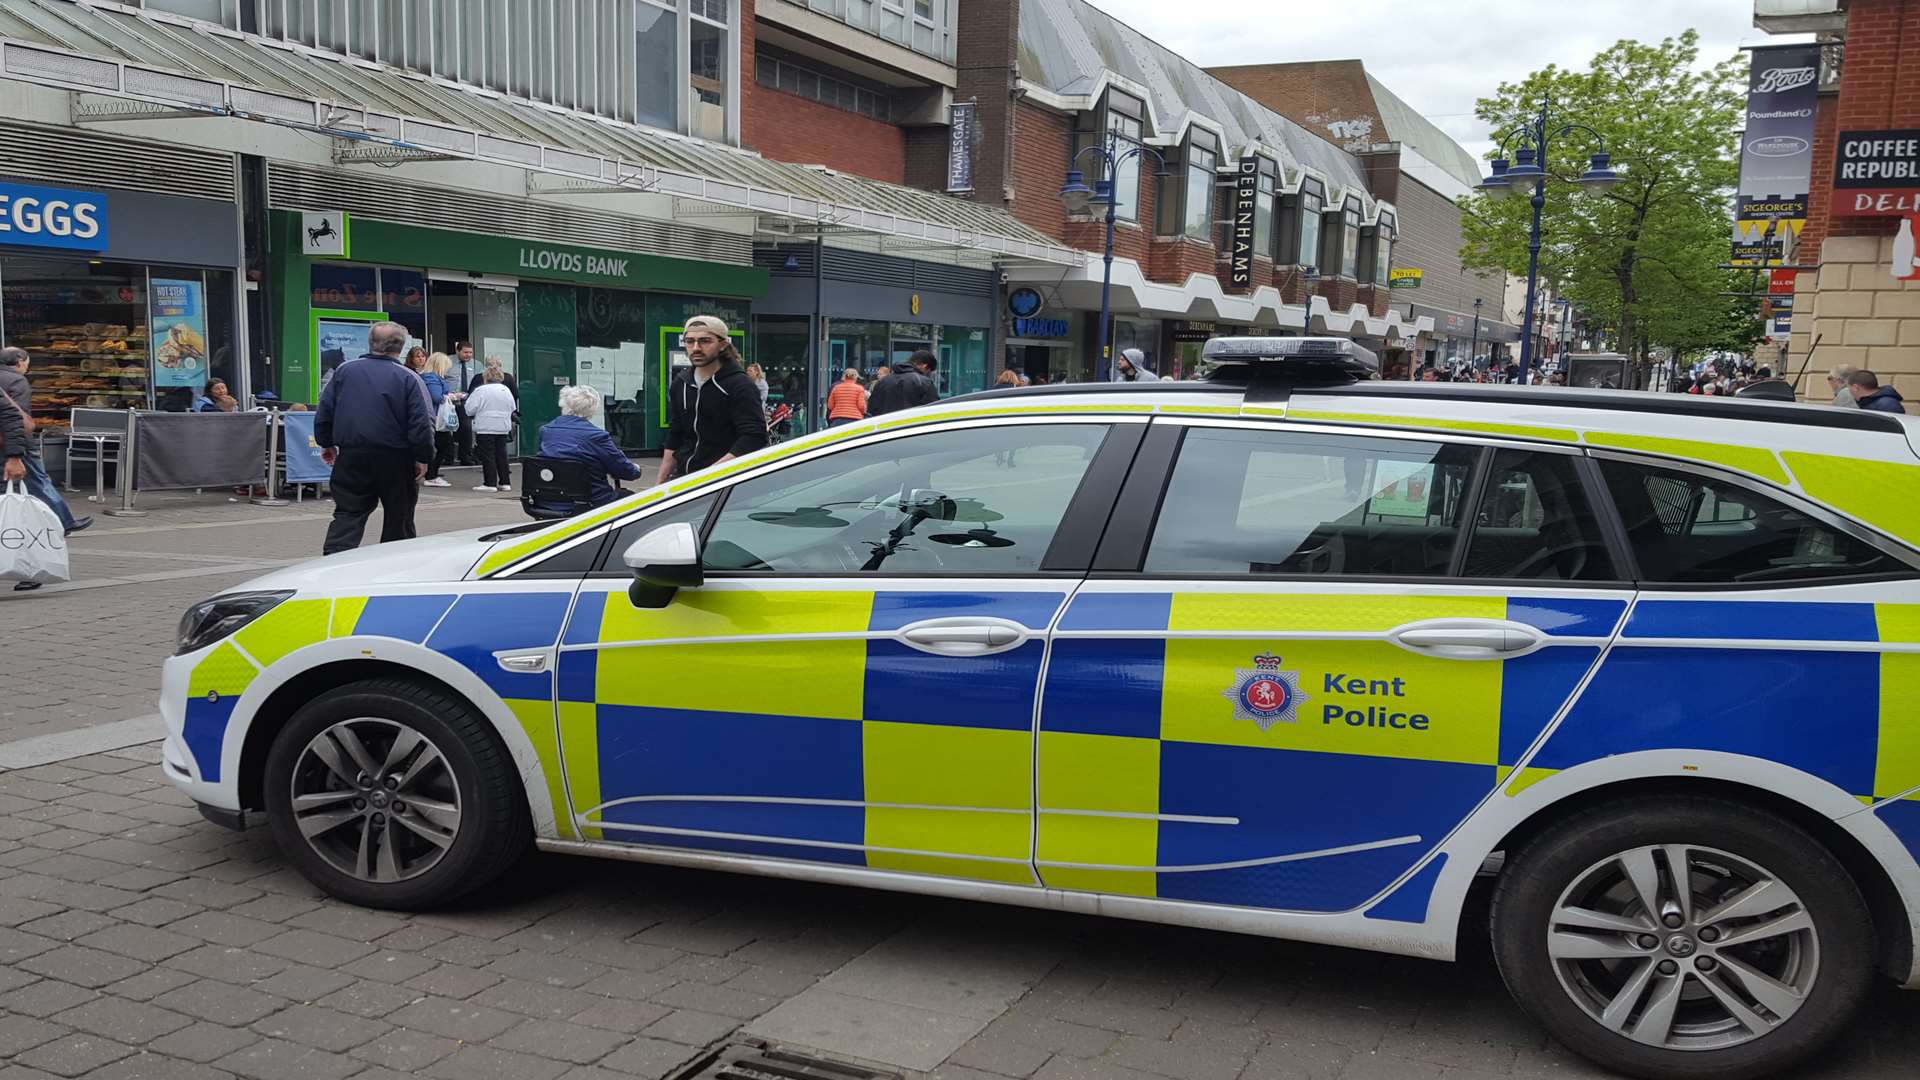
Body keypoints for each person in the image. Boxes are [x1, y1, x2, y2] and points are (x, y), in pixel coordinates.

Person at [313, 321, 434, 556]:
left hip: (352, 455)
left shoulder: (345, 371)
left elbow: (325, 410)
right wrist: (423, 457)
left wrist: (326, 442)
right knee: (399, 517)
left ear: (371, 342)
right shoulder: (408, 378)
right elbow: (421, 423)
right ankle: (394, 565)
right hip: (396, 458)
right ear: (401, 347)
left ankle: (334, 561)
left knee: (348, 513)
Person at [1, 347, 88, 591]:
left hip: (9, 455)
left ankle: (32, 565)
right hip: (15, 451)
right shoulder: (16, 380)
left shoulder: (12, 382)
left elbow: (12, 417)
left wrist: (14, 456)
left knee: (19, 509)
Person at [656, 315, 767, 483]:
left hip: (726, 482)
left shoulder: (740, 384)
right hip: (685, 478)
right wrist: (660, 483)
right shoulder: (681, 383)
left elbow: (754, 437)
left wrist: (710, 475)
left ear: (722, 344)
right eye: (689, 341)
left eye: (705, 341)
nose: (695, 348)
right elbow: (675, 435)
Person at [538, 385, 643, 509]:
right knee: (633, 500)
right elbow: (626, 471)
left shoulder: (546, 431)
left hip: (548, 499)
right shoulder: (597, 436)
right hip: (589, 500)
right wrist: (636, 469)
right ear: (592, 409)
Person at [464, 366, 517, 491]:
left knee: (488, 454)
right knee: (501, 454)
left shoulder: (481, 390)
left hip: (486, 426)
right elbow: (512, 407)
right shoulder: (506, 390)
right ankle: (505, 482)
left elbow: (469, 409)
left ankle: (490, 483)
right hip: (502, 426)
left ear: (486, 376)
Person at [417, 352, 452, 487]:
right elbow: (436, 397)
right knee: (441, 445)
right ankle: (431, 475)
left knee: (440, 444)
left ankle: (431, 474)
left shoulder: (429, 377)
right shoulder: (432, 378)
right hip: (435, 417)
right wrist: (451, 397)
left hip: (433, 417)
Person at [868, 349, 939, 416]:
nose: (926, 374)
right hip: (912, 426)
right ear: (924, 365)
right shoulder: (924, 382)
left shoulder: (884, 381)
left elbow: (872, 408)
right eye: (928, 371)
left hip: (886, 427)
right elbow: (933, 410)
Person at [448, 343, 480, 465]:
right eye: (465, 352)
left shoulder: (476, 364)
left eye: (470, 352)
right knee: (447, 428)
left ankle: (465, 456)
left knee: (466, 428)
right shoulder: (448, 362)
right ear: (458, 351)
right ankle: (448, 457)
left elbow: (480, 381)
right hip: (450, 401)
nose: (468, 355)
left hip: (466, 402)